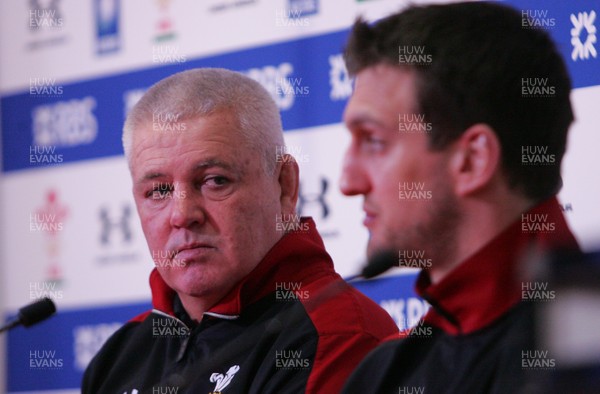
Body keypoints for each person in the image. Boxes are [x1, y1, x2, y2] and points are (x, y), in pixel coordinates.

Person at [82, 68, 398, 393]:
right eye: (158, 191)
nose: (182, 215)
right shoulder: (120, 355)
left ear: (284, 185)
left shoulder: (336, 335)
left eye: (214, 180)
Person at [339, 2, 581, 393]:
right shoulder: (383, 373)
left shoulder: (579, 356)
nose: (347, 182)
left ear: (472, 160)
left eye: (375, 142)